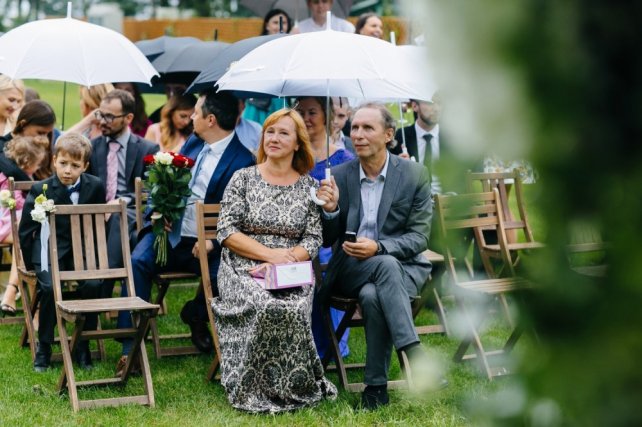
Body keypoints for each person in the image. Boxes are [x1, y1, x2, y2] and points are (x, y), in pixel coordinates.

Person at [115, 89, 255, 373]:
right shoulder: (193, 142)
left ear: (211, 119)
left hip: (210, 246)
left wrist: (213, 241)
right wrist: (158, 212)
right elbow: (164, 183)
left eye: (196, 112)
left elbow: (242, 216)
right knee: (138, 262)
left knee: (225, 278)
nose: (191, 117)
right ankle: (130, 348)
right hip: (170, 235)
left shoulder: (243, 161)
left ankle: (196, 313)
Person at [316, 103, 444, 410]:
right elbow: (327, 239)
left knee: (373, 295)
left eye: (367, 128)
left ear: (388, 134)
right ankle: (414, 354)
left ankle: (375, 389)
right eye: (355, 128)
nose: (358, 134)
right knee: (383, 267)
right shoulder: (339, 176)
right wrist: (330, 211)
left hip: (403, 269)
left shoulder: (414, 174)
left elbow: (419, 238)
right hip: (349, 268)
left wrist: (380, 247)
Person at [212, 108, 337, 413]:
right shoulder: (243, 178)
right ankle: (252, 385)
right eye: (270, 131)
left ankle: (293, 385)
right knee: (264, 303)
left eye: (283, 133)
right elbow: (226, 230)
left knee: (292, 306)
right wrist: (270, 256)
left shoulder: (310, 187)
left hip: (290, 268)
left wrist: (286, 260)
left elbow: (313, 238)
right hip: (243, 265)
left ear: (298, 143)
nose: (274, 138)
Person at [19, 133, 106, 371]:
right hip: (49, 250)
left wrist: (97, 257)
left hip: (82, 251)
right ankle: (45, 347)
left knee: (93, 285)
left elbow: (98, 222)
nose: (68, 170)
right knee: (49, 288)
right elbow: (26, 231)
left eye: (75, 165)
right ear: (54, 160)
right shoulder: (41, 188)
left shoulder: (95, 186)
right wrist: (32, 265)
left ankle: (82, 343)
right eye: (63, 163)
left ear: (85, 166)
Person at [86, 89, 159, 299]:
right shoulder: (91, 147)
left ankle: (101, 288)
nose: (102, 121)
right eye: (100, 114)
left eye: (109, 117)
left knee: (119, 214)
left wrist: (122, 201)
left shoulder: (147, 149)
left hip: (133, 212)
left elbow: (150, 190)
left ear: (128, 118)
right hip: (98, 213)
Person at [295, 96, 354, 358]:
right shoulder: (292, 157)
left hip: (329, 241)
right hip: (292, 237)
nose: (306, 118)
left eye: (312, 112)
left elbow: (349, 213)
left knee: (322, 259)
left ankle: (328, 343)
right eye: (300, 112)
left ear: (327, 117)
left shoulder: (343, 160)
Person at [0, 136, 48, 317]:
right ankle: (30, 303)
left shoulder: (25, 177)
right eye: (37, 164)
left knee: (28, 236)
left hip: (12, 226)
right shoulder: (6, 179)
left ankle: (16, 295)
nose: (38, 168)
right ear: (27, 162)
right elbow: (17, 203)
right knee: (26, 233)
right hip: (3, 223)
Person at [390, 94, 444, 195]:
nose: (436, 108)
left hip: (448, 199)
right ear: (415, 106)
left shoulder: (452, 138)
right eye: (430, 103)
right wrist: (398, 166)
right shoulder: (400, 136)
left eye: (439, 103)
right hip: (414, 200)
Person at [0, 100, 56, 180]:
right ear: (23, 125)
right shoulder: (2, 146)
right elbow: (12, 172)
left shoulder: (43, 151)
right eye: (40, 133)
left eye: (47, 134)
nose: (45, 140)